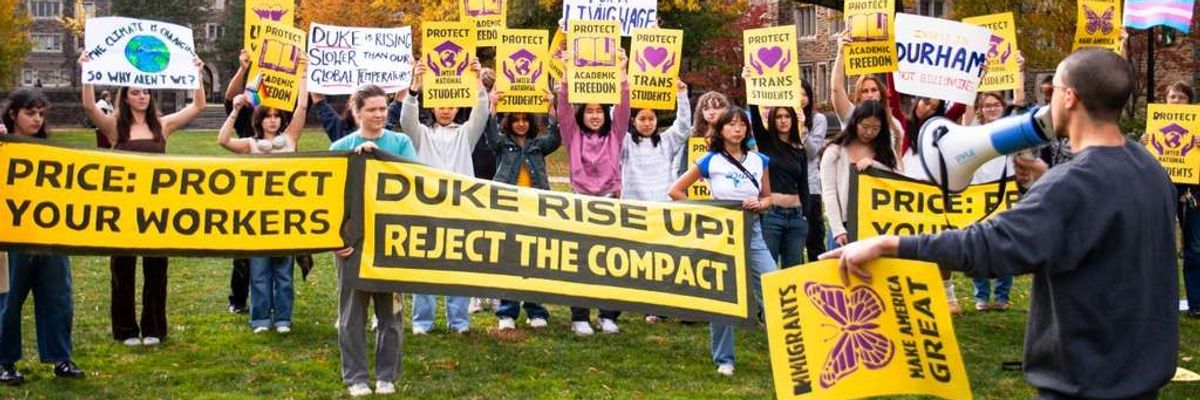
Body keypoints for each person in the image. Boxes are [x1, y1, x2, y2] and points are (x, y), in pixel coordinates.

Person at [823, 49, 1177, 399]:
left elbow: (987, 247)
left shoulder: (1070, 185)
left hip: (1084, 381)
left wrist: (888, 244)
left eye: (1054, 89)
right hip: (1139, 376)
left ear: (1070, 97)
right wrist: (1047, 177)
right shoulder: (1148, 167)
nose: (1049, 99)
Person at [81, 54, 207, 347]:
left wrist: (196, 74)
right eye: (135, 92)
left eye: (146, 91)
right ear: (124, 97)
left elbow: (198, 106)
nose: (142, 96)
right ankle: (125, 329)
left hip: (156, 208)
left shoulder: (162, 125)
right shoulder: (114, 126)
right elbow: (88, 106)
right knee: (122, 269)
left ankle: (153, 327)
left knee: (156, 268)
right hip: (124, 207)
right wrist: (87, 71)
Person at [667, 106, 775, 377]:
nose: (737, 129)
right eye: (731, 124)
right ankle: (724, 359)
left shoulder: (759, 160)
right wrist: (708, 211)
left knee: (773, 285)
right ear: (721, 129)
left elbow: (769, 198)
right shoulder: (710, 160)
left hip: (753, 231)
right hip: (721, 234)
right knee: (723, 296)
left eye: (741, 125)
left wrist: (760, 204)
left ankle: (785, 350)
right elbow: (676, 191)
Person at [330, 84, 417, 397]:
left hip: (389, 242)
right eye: (372, 109)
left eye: (383, 108)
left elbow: (413, 182)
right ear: (357, 112)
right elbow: (329, 200)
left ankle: (386, 376)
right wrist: (335, 239)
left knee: (390, 316)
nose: (379, 114)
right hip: (351, 244)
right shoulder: (340, 147)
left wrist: (380, 158)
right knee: (351, 316)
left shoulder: (401, 142)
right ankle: (355, 377)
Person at [216, 59, 309, 333]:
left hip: (284, 214)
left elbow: (302, 107)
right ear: (260, 120)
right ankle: (260, 319)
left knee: (283, 272)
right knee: (258, 272)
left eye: (277, 116)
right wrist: (234, 112)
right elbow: (222, 141)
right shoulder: (251, 144)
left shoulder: (290, 140)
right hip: (257, 215)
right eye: (267, 115)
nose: (273, 119)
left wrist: (302, 74)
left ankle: (283, 318)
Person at [0, 89, 85, 384]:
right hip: (10, 239)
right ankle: (4, 361)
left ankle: (61, 358)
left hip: (48, 237)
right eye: (30, 113)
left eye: (40, 114)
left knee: (58, 297)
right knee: (7, 301)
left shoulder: (49, 151)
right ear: (13, 114)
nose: (37, 119)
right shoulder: (3, 146)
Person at [400, 56, 489, 335]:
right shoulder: (421, 135)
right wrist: (414, 88)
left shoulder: (465, 134)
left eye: (451, 105)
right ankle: (422, 322)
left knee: (458, 267)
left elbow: (482, 113)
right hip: (427, 208)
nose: (446, 110)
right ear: (433, 106)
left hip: (460, 208)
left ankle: (459, 321)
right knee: (424, 267)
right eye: (441, 105)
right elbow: (406, 119)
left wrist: (477, 82)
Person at [556, 48, 631, 336]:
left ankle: (608, 315)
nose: (595, 115)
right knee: (582, 261)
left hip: (610, 202)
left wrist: (622, 72)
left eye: (600, 110)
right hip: (581, 204)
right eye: (589, 111)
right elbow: (562, 108)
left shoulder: (616, 135)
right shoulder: (572, 135)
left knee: (611, 260)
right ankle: (580, 316)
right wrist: (565, 73)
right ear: (582, 113)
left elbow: (624, 106)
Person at [486, 88, 559, 330]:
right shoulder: (502, 144)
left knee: (534, 259)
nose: (520, 124)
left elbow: (556, 138)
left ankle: (536, 310)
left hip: (535, 207)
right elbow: (491, 133)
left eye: (524, 120)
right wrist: (491, 105)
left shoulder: (538, 145)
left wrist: (551, 109)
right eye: (516, 120)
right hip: (508, 207)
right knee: (509, 259)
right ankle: (507, 312)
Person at [621, 80, 692, 323]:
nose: (647, 123)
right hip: (634, 209)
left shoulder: (666, 142)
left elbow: (683, 127)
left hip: (662, 209)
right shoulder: (624, 143)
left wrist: (681, 94)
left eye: (651, 119)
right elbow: (615, 122)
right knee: (638, 261)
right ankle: (643, 303)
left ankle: (660, 306)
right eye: (642, 119)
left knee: (662, 261)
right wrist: (622, 88)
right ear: (633, 120)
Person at [743, 66, 809, 269]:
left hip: (796, 218)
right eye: (779, 117)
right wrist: (749, 82)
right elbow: (754, 115)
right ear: (773, 119)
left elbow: (803, 185)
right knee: (768, 269)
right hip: (772, 216)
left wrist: (806, 215)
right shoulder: (766, 142)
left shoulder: (799, 148)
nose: (783, 121)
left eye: (787, 116)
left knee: (793, 270)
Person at [964, 90, 1023, 312]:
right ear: (981, 109)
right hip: (978, 193)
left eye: (995, 105)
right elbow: (966, 109)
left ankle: (1002, 295)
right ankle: (981, 294)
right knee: (978, 243)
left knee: (1004, 243)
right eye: (986, 105)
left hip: (1003, 192)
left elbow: (1018, 102)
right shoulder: (973, 130)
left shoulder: (1008, 128)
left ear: (1002, 106)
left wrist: (1017, 71)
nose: (991, 109)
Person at [819, 100, 898, 251]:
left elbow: (897, 178)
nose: (869, 133)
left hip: (877, 226)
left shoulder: (885, 150)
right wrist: (837, 229)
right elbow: (829, 192)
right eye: (865, 127)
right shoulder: (835, 151)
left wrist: (874, 164)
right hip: (844, 227)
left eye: (876, 128)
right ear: (855, 122)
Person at [1161, 82, 1200, 319]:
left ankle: (1196, 303)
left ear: (1189, 101)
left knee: (1194, 248)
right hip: (1164, 189)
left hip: (1193, 194)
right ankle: (1159, 301)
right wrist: (1146, 145)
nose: (1175, 101)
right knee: (1159, 245)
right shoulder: (1156, 125)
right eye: (1171, 96)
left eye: (1180, 97)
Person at [222, 48, 256, 315]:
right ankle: (238, 299)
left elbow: (303, 106)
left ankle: (269, 301)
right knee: (244, 248)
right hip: (248, 186)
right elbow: (229, 98)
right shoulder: (247, 113)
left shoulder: (283, 115)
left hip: (279, 186)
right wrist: (243, 69)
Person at [800, 81, 828, 262]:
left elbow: (811, 152)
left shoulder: (818, 120)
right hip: (788, 189)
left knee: (814, 240)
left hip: (810, 187)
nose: (801, 99)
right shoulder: (779, 119)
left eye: (804, 94)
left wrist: (802, 127)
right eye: (796, 94)